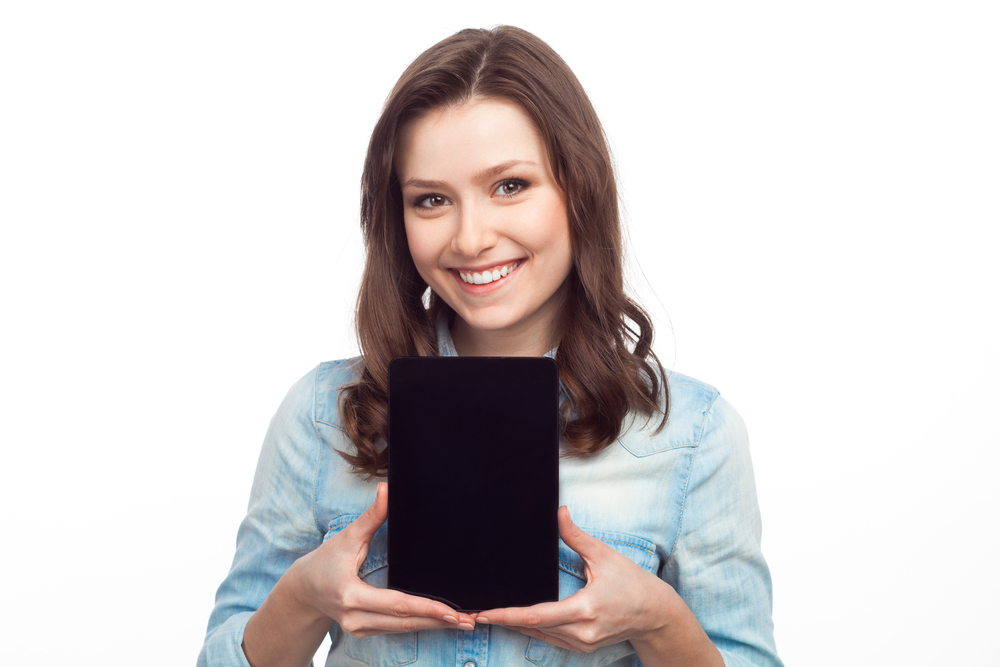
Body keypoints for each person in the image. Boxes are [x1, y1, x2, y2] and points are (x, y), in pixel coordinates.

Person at [199, 25, 782, 667]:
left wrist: (660, 622)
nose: (471, 238)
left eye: (510, 186)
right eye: (431, 200)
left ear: (578, 189)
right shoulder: (320, 416)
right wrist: (303, 597)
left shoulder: (694, 437)